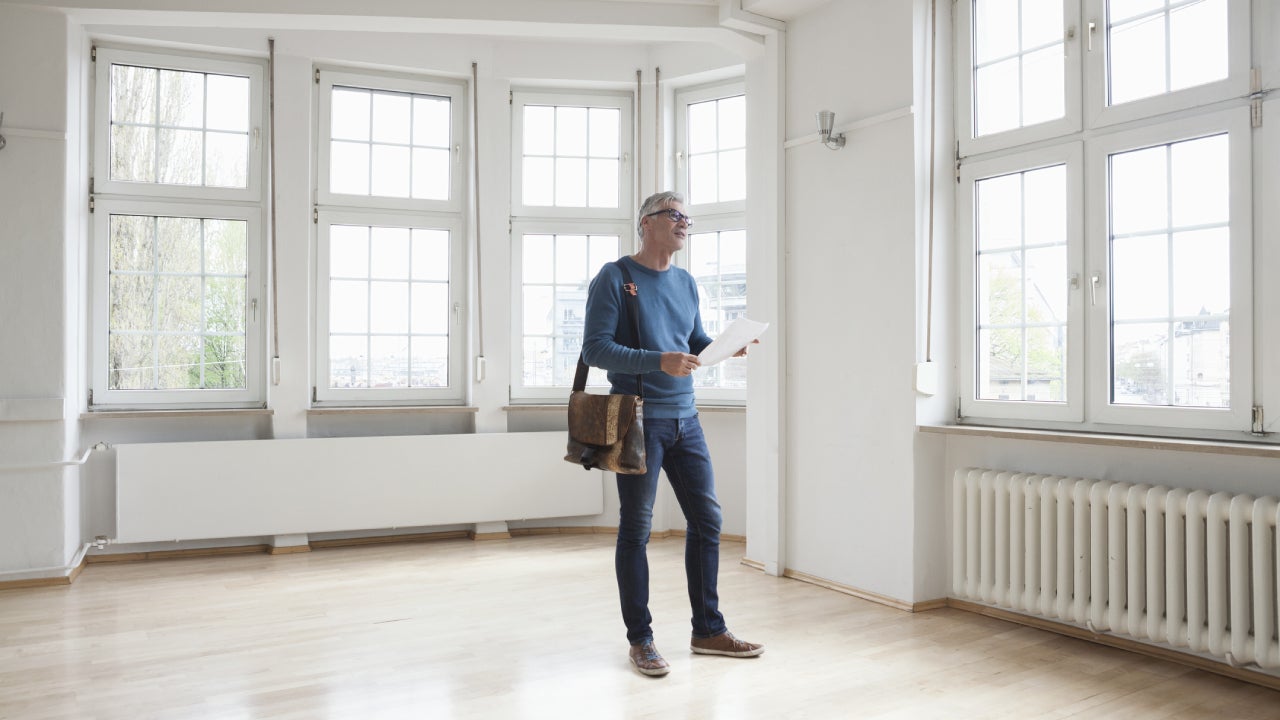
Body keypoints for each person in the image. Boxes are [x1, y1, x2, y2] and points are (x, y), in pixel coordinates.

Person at [581, 191, 763, 677]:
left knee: (707, 522)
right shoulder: (615, 278)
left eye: (689, 218)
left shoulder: (685, 282)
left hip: (687, 419)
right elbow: (596, 349)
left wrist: (727, 347)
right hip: (636, 419)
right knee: (636, 530)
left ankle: (708, 630)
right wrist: (655, 360)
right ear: (646, 223)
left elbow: (692, 341)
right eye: (675, 215)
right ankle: (640, 640)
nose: (685, 223)